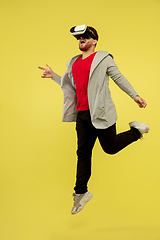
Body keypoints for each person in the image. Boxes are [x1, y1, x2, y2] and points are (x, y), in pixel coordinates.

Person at [38, 25, 149, 215]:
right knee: (82, 153)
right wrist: (53, 76)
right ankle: (80, 193)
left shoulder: (104, 59)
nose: (81, 39)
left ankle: (137, 130)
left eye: (85, 36)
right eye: (79, 37)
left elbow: (119, 78)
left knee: (110, 148)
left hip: (102, 113)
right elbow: (70, 86)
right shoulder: (73, 62)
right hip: (82, 115)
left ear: (94, 40)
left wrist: (135, 95)